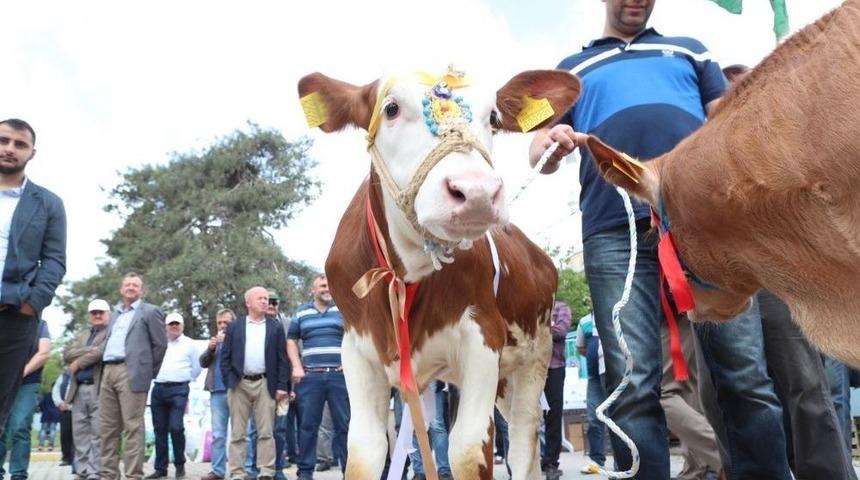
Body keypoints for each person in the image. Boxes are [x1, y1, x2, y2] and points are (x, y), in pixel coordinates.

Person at [529, 2, 791, 478]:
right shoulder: (568, 70)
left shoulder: (692, 52)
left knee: (746, 376)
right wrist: (552, 144)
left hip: (707, 226)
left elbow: (729, 126)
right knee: (632, 383)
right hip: (614, 231)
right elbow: (537, 148)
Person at [0, 118, 66, 437]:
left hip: (13, 318)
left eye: (19, 144)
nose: (10, 149)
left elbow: (54, 261)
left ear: (32, 153)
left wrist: (32, 304)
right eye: (3, 140)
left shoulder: (48, 204)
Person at [100, 273, 167, 480]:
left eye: (135, 285)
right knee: (107, 429)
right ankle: (108, 475)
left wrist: (146, 371)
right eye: (127, 284)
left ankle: (133, 476)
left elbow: (160, 345)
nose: (130, 287)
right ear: (121, 289)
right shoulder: (114, 314)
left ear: (142, 290)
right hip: (108, 371)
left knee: (132, 428)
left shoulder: (150, 311)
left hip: (132, 372)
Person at [221, 286, 290, 480]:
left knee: (266, 432)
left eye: (266, 298)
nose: (265, 302)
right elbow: (224, 357)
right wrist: (229, 380)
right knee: (237, 433)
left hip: (265, 383)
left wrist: (282, 386)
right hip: (239, 384)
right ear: (248, 303)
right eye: (260, 298)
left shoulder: (275, 327)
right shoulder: (235, 326)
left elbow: (282, 359)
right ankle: (237, 472)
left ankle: (266, 472)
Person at [287, 274, 349, 480]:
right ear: (312, 290)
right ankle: (305, 473)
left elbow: (355, 336)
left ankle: (349, 471)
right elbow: (291, 341)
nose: (326, 288)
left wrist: (348, 362)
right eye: (322, 285)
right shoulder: (301, 312)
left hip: (339, 377)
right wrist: (297, 367)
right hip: (310, 377)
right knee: (307, 426)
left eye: (329, 285)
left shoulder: (343, 309)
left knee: (344, 425)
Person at [660, 317, 721, 480]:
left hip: (672, 307)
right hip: (689, 308)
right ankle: (695, 471)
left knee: (662, 394)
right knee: (689, 390)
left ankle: (723, 456)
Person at [146, 313, 202, 480]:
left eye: (177, 324)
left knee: (176, 427)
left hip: (179, 389)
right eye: (171, 324)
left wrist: (184, 378)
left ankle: (180, 465)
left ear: (183, 326)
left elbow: (196, 368)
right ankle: (161, 469)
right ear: (166, 326)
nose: (174, 327)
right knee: (159, 429)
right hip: (159, 388)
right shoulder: (158, 343)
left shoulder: (190, 344)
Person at [63, 298, 111, 480]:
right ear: (90, 315)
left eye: (101, 312)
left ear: (108, 314)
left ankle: (94, 472)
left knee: (98, 433)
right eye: (94, 313)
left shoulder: (111, 332)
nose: (97, 315)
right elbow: (66, 354)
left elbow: (102, 352)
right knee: (80, 433)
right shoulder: (82, 334)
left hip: (99, 388)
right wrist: (89, 350)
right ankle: (81, 471)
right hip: (78, 389)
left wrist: (81, 357)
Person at [0, 319, 51, 480]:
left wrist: (20, 372)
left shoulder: (40, 325)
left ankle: (18, 474)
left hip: (27, 382)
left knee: (20, 426)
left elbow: (43, 353)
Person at [199, 308, 236, 480]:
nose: (222, 326)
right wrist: (210, 349)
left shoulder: (238, 339)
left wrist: (228, 341)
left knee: (240, 434)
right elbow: (203, 363)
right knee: (218, 434)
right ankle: (217, 471)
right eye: (219, 323)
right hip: (217, 391)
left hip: (236, 390)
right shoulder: (214, 341)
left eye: (226, 322)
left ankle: (241, 470)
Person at [541, 301, 571, 480]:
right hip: (531, 369)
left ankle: (551, 463)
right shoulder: (531, 304)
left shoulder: (561, 307)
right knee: (529, 417)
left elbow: (560, 332)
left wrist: (536, 328)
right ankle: (534, 460)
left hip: (554, 368)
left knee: (552, 417)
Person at [575, 313, 607, 475]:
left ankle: (625, 460)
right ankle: (596, 460)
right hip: (594, 377)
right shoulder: (585, 322)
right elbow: (580, 347)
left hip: (613, 375)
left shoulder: (613, 314)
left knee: (620, 417)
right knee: (594, 418)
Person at [409, 381, 452, 480]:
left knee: (436, 425)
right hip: (408, 376)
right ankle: (419, 471)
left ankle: (444, 470)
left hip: (431, 376)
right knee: (411, 426)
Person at [52, 369, 75, 469]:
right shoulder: (64, 375)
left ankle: (76, 458)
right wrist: (60, 403)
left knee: (78, 435)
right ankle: (66, 457)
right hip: (65, 409)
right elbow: (55, 390)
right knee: (65, 434)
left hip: (78, 409)